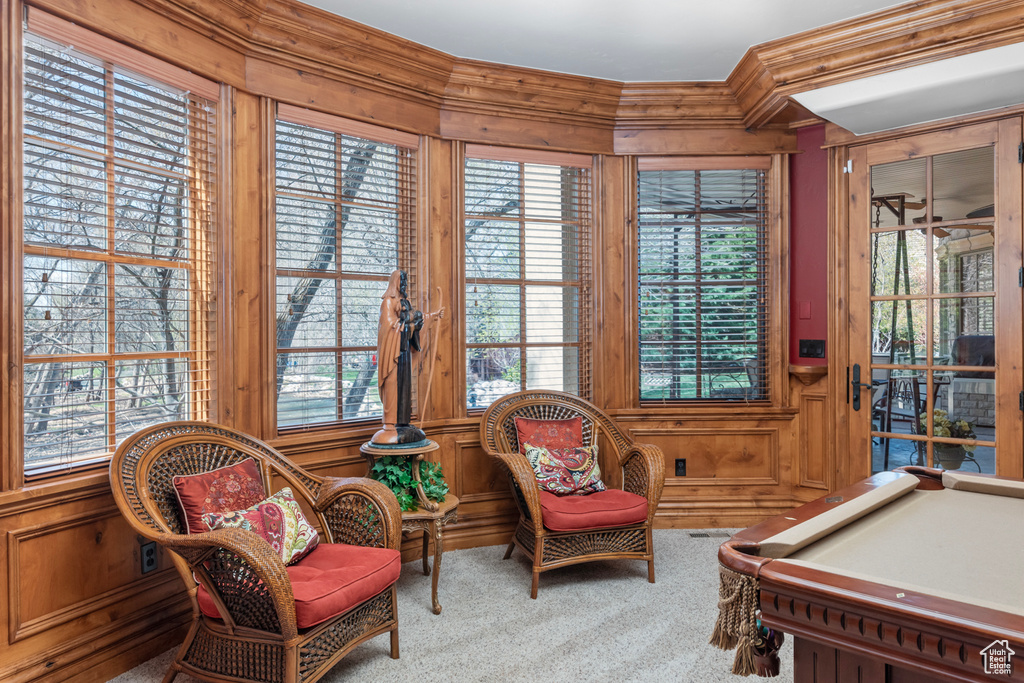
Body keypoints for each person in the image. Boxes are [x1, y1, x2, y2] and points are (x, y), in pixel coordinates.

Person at [372, 270, 441, 444]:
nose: (404, 284)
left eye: (406, 281)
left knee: (405, 388)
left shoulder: (406, 302)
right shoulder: (388, 302)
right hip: (392, 353)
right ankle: (389, 424)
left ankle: (403, 422)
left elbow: (417, 320)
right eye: (402, 280)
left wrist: (430, 317)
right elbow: (388, 326)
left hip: (405, 354)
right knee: (392, 387)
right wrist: (411, 320)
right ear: (395, 282)